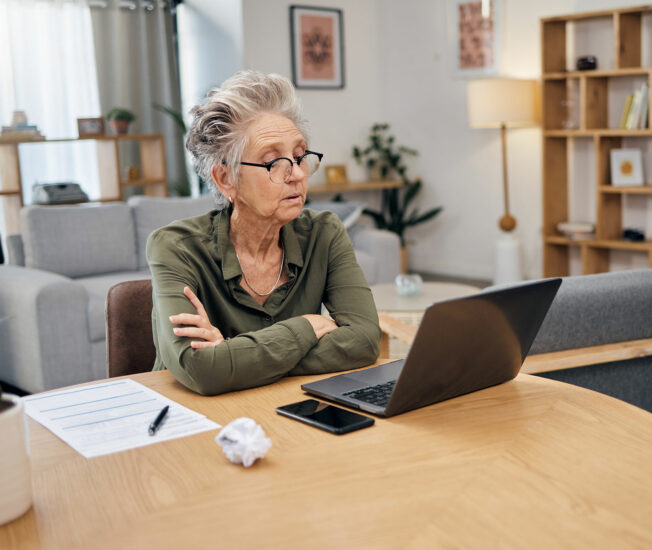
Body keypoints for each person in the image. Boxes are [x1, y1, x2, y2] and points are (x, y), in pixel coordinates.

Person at [147, 70, 381, 395]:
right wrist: (306, 328)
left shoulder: (324, 233)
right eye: (273, 163)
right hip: (189, 422)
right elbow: (200, 369)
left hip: (285, 414)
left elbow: (366, 341)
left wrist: (231, 355)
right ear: (226, 179)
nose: (297, 174)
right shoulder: (174, 247)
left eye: (299, 157)